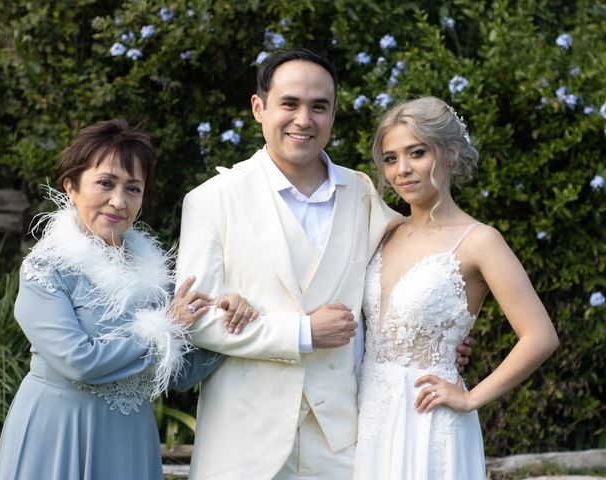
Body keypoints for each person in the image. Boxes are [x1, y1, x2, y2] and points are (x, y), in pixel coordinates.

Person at [176, 50, 470, 479]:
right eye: (289, 104)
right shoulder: (212, 199)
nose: (303, 119)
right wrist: (302, 333)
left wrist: (438, 338)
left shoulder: (362, 192)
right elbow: (196, 319)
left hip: (343, 442)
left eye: (319, 107)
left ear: (333, 113)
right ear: (259, 108)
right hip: (243, 442)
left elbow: (419, 260)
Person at [0, 119, 256, 480]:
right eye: (105, 183)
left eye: (133, 188)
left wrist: (227, 323)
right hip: (59, 431)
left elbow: (176, 376)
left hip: (131, 435)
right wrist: (165, 327)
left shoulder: (153, 275)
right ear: (71, 186)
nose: (119, 201)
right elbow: (79, 360)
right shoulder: (46, 268)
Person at [354, 96, 559, 479]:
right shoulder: (383, 231)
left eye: (416, 152)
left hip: (428, 419)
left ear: (449, 153)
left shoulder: (480, 241)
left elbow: (540, 337)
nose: (403, 170)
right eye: (391, 158)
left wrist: (469, 398)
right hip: (368, 415)